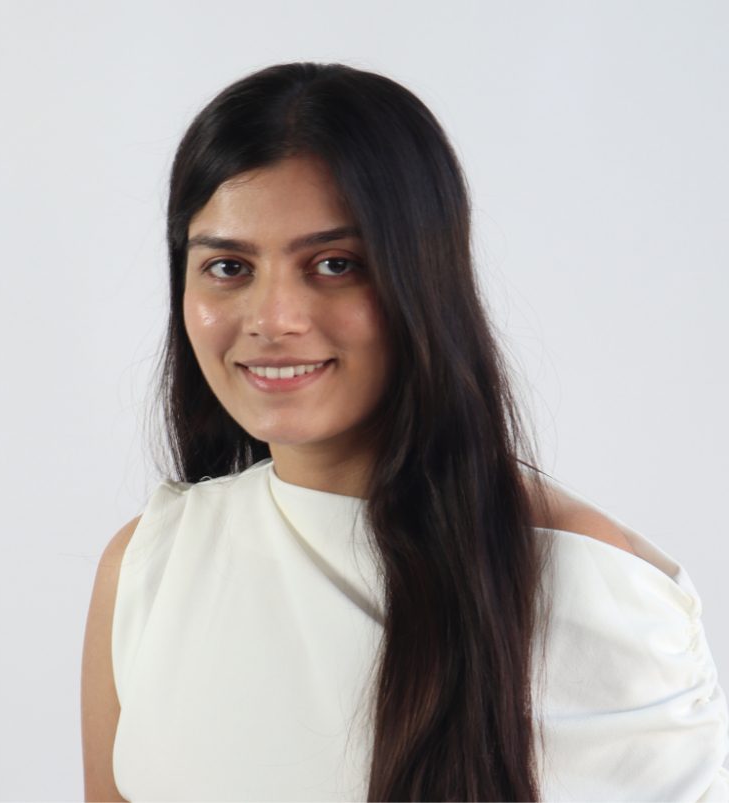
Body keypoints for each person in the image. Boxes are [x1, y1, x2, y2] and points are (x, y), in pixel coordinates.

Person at [80, 62, 729, 802]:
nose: (272, 319)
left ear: (423, 279)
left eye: (334, 264)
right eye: (228, 266)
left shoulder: (586, 583)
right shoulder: (149, 564)